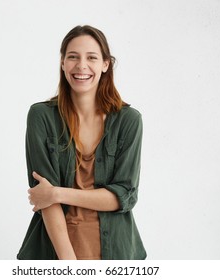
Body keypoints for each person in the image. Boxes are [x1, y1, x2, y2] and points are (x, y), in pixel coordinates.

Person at [16, 25, 146, 260]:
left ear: (105, 64)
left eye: (92, 57)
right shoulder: (41, 116)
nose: (81, 66)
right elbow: (44, 198)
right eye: (73, 57)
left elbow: (123, 197)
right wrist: (71, 266)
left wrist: (56, 193)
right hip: (54, 253)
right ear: (63, 63)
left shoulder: (129, 121)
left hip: (117, 254)